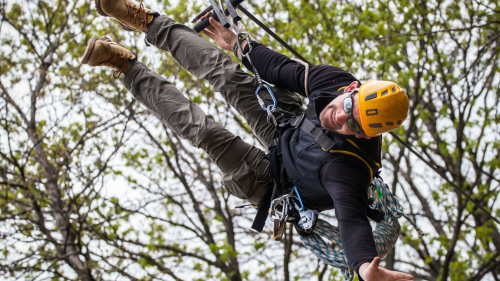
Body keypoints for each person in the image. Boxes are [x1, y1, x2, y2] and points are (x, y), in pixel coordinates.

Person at [81, 0, 413, 280]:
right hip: (290, 125)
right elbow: (280, 69)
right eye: (348, 108)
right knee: (225, 73)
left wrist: (364, 268)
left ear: (364, 136)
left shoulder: (348, 169)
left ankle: (126, 66)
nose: (340, 117)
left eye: (352, 126)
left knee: (207, 133)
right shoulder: (335, 81)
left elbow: (351, 218)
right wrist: (238, 43)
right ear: (352, 90)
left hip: (280, 182)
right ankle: (147, 22)